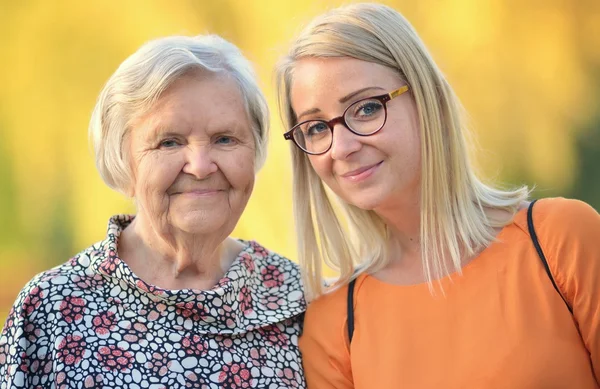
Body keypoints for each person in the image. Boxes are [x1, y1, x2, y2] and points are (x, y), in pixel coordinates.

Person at [276, 3, 600, 388]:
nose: (340, 147)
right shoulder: (334, 325)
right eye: (314, 128)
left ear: (426, 97)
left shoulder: (560, 240)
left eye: (364, 108)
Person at [0, 34, 306, 388]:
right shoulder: (51, 309)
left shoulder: (299, 301)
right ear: (124, 161)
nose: (200, 165)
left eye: (224, 138)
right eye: (169, 142)